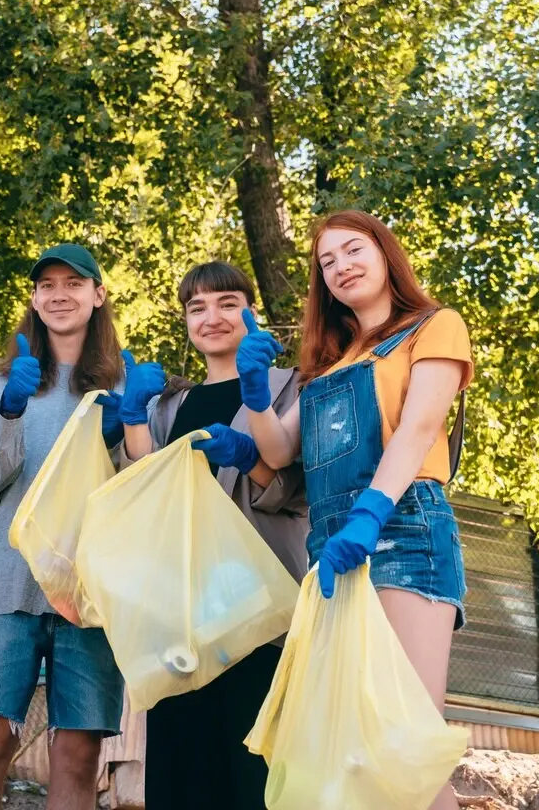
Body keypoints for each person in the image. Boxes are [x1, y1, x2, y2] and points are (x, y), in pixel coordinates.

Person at [241, 209, 473, 810]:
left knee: (404, 748)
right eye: (327, 262)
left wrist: (370, 514)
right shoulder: (331, 362)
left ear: (385, 253)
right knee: (351, 750)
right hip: (334, 552)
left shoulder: (435, 326)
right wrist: (254, 399)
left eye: (352, 250)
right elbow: (280, 449)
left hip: (401, 530)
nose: (341, 266)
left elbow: (420, 428)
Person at [119, 260, 308, 809]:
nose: (212, 317)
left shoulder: (289, 385)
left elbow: (297, 491)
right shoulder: (169, 405)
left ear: (251, 311)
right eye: (196, 307)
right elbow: (142, 493)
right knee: (183, 771)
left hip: (259, 609)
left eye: (228, 303)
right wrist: (134, 417)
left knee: (253, 775)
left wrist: (251, 460)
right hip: (180, 615)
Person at [0, 244, 127, 810]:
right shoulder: (5, 383)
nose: (59, 294)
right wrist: (10, 412)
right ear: (33, 299)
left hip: (91, 594)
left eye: (73, 283)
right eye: (46, 284)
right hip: (5, 586)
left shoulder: (125, 388)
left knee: (77, 755)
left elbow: (140, 492)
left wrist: (131, 430)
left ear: (98, 296)